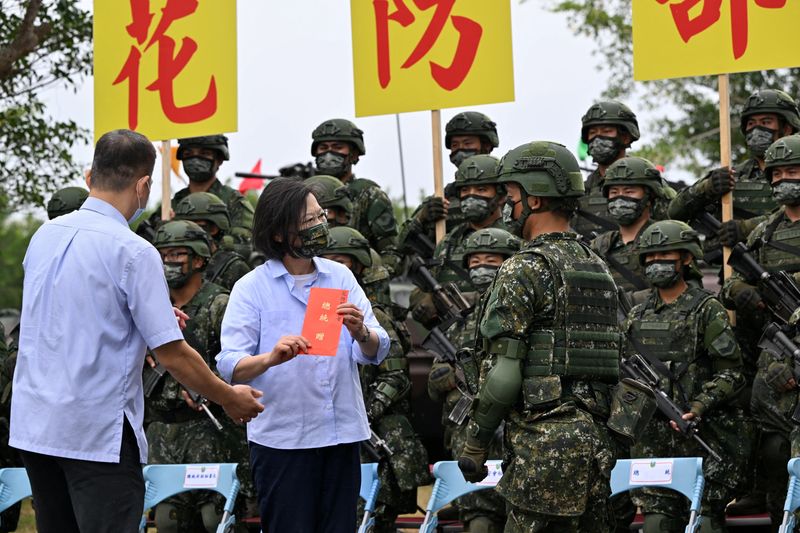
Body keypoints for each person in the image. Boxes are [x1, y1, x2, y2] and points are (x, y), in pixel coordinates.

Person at [9, 129, 264, 533]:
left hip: (36, 425)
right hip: (95, 432)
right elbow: (173, 354)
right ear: (144, 184)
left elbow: (74, 315)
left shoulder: (45, 236)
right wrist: (228, 397)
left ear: (91, 175)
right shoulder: (134, 250)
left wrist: (148, 322)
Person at [458, 141, 620, 532]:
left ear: (534, 200)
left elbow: (504, 373)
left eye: (511, 196)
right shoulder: (598, 267)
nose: (507, 206)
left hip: (543, 446)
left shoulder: (524, 268)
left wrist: (476, 442)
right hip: (595, 445)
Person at [215, 177, 391, 533]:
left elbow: (378, 347)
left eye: (320, 216)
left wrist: (361, 332)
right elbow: (230, 365)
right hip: (283, 440)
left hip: (340, 433)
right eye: (308, 222)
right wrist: (270, 358)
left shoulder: (339, 276)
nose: (320, 226)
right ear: (279, 233)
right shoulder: (251, 288)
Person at [624, 220, 748, 532]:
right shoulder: (636, 314)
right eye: (650, 257)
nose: (656, 263)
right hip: (653, 444)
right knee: (656, 523)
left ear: (686, 258)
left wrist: (700, 406)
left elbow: (732, 373)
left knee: (703, 522)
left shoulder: (707, 309)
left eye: (664, 255)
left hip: (702, 435)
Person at [321, 226, 429, 533]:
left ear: (357, 266)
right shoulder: (318, 316)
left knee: (370, 518)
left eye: (339, 260)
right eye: (326, 259)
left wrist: (363, 414)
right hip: (334, 432)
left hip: (378, 435)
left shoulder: (374, 317)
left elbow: (395, 376)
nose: (331, 267)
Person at [147, 220, 252, 532]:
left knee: (215, 519)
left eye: (177, 254)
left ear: (199, 259)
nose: (169, 262)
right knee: (167, 522)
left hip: (212, 432)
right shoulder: (148, 303)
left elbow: (241, 362)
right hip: (163, 435)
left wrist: (209, 388)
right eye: (163, 254)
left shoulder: (221, 304)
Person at [721, 134, 800, 525]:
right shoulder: (765, 230)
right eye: (778, 173)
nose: (785, 179)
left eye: (793, 171)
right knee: (773, 444)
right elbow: (728, 282)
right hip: (775, 351)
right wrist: (746, 293)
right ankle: (776, 513)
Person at [429, 227, 520, 533]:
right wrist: (446, 376)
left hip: (514, 424)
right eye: (476, 261)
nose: (482, 267)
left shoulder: (522, 313)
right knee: (478, 511)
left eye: (491, 260)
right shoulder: (459, 322)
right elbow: (434, 385)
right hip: (467, 430)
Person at [410, 154, 508, 329]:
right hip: (455, 342)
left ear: (500, 196)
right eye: (465, 191)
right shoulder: (449, 242)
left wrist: (475, 300)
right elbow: (426, 286)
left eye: (481, 190)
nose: (471, 197)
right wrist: (422, 301)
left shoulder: (515, 238)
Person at [310, 118, 403, 277]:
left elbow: (391, 253)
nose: (328, 154)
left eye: (338, 147)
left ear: (353, 154)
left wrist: (372, 276)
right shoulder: (304, 196)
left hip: (356, 282)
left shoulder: (370, 195)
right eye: (323, 147)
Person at [399, 111, 500, 256]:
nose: (460, 149)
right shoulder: (443, 198)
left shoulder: (507, 191)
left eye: (467, 143)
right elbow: (401, 245)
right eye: (455, 145)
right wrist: (423, 217)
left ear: (486, 146)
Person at [573, 100, 675, 239]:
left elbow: (675, 228)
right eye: (593, 132)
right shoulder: (579, 192)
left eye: (606, 131)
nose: (598, 138)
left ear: (625, 137)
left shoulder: (649, 184)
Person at [144, 135, 255, 254]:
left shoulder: (234, 201)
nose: (195, 159)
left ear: (219, 159)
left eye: (204, 153)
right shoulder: (172, 204)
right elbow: (144, 242)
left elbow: (244, 244)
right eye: (188, 153)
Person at [591, 156, 663, 304]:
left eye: (629, 192)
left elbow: (685, 293)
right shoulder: (598, 246)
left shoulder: (666, 239)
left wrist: (628, 301)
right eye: (614, 193)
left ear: (649, 197)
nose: (620, 199)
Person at [173, 192, 251, 290]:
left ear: (213, 228)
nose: (186, 234)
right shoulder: (178, 265)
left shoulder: (234, 268)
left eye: (195, 226)